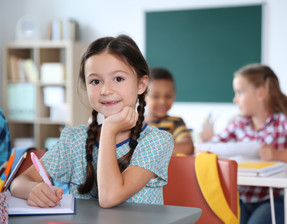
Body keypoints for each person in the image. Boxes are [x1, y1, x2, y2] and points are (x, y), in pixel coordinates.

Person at [10, 35, 174, 208]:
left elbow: (109, 197)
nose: (105, 90)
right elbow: (18, 182)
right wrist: (32, 189)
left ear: (141, 84)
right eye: (95, 81)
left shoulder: (156, 141)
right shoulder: (74, 139)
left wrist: (109, 130)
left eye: (118, 79)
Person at [199, 64, 287, 224]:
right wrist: (203, 147)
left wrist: (277, 155)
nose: (235, 99)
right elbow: (211, 144)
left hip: (274, 200)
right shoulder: (239, 124)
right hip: (242, 199)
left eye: (240, 92)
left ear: (260, 93)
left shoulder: (283, 122)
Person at [145, 67, 194, 155]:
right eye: (155, 96)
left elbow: (188, 147)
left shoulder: (176, 122)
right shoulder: (135, 123)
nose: (162, 101)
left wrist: (149, 150)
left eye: (168, 96)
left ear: (174, 95)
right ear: (143, 96)